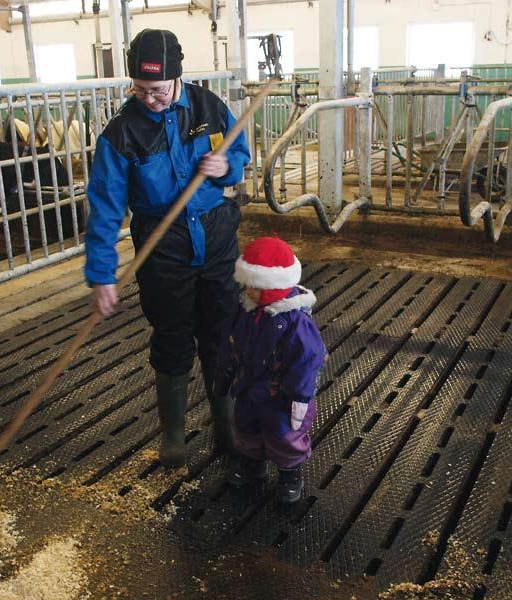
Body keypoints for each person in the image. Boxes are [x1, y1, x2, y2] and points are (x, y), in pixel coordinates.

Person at [84, 29, 251, 468]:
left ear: (177, 77)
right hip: (162, 245)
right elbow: (104, 208)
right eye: (140, 90)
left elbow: (239, 155)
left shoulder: (208, 108)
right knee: (173, 335)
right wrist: (101, 274)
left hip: (215, 237)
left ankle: (227, 427)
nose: (150, 99)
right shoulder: (122, 133)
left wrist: (224, 166)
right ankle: (174, 436)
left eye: (157, 90)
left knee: (222, 333)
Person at [213, 237, 327, 504]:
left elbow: (307, 361)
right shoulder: (246, 310)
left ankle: (289, 473)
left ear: (274, 286)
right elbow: (230, 341)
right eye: (247, 284)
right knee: (247, 426)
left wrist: (300, 398)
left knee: (284, 434)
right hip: (249, 386)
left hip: (281, 393)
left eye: (256, 286)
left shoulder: (296, 321)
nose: (248, 290)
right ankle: (253, 465)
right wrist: (225, 373)